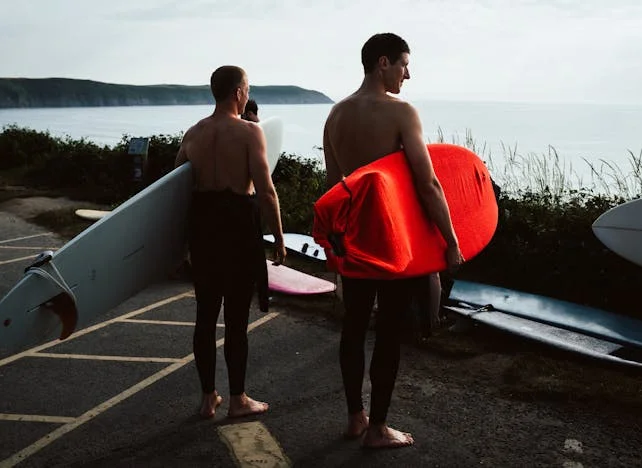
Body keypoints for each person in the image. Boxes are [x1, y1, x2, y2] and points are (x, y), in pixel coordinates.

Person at [321, 33, 464, 449]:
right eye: (404, 64)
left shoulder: (336, 115)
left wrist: (335, 247)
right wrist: (450, 239)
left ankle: (354, 418)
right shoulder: (401, 112)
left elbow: (332, 188)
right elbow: (428, 182)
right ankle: (379, 427)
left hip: (352, 239)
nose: (408, 73)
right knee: (388, 331)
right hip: (390, 241)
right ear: (383, 62)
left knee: (352, 327)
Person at [175, 65, 286, 419]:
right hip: (238, 228)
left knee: (205, 317)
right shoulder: (250, 133)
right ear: (239, 92)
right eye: (247, 88)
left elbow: (175, 191)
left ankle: (208, 398)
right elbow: (266, 190)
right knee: (236, 320)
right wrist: (279, 237)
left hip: (204, 230)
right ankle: (237, 398)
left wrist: (179, 243)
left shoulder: (192, 135)